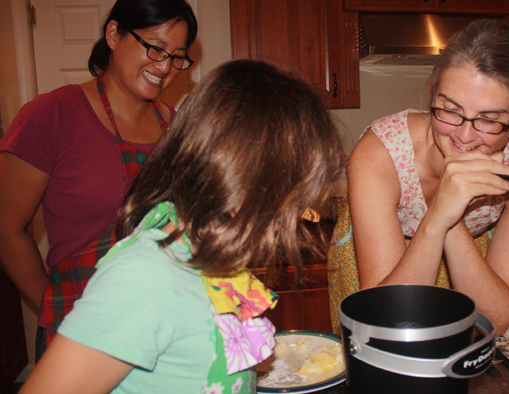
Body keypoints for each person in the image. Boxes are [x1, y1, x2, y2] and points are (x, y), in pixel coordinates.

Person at [18, 59, 346, 394]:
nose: (298, 212)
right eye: (294, 192)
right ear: (245, 176)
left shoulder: (212, 258)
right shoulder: (147, 278)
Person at [328, 19, 509, 336]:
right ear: (431, 89)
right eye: (449, 109)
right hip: (382, 278)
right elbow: (383, 318)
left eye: (489, 120)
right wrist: (439, 214)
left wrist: (450, 219)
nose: (464, 136)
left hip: (469, 267)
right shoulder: (378, 155)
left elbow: (502, 318)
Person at [0, 0, 198, 360]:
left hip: (161, 326)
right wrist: (56, 310)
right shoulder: (51, 115)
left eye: (177, 56)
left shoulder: (177, 125)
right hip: (79, 330)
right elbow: (6, 229)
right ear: (113, 34)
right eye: (155, 47)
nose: (165, 66)